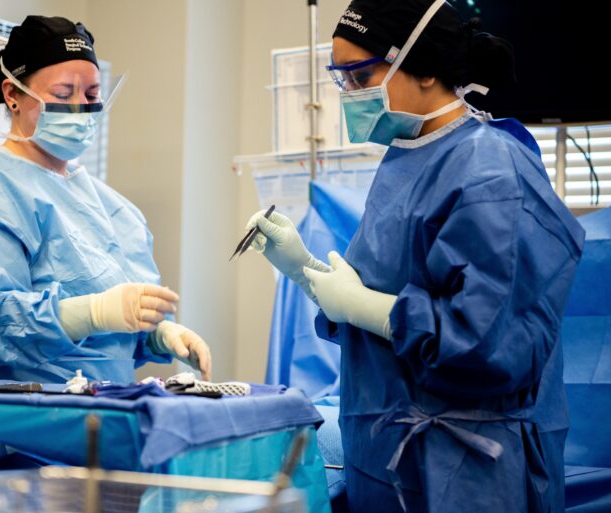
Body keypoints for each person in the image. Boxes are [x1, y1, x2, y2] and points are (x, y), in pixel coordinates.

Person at [245, 0, 585, 511]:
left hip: (471, 472)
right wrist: (304, 270)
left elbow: (492, 344)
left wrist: (359, 306)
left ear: (425, 70)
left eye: (360, 76)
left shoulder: (492, 170)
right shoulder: (406, 159)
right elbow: (382, 304)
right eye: (341, 81)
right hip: (390, 461)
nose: (351, 96)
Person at [0, 15, 211, 470]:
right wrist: (93, 310)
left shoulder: (111, 207)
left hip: (88, 447)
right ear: (13, 95)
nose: (81, 108)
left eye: (92, 95)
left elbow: (112, 337)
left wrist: (157, 336)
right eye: (64, 95)